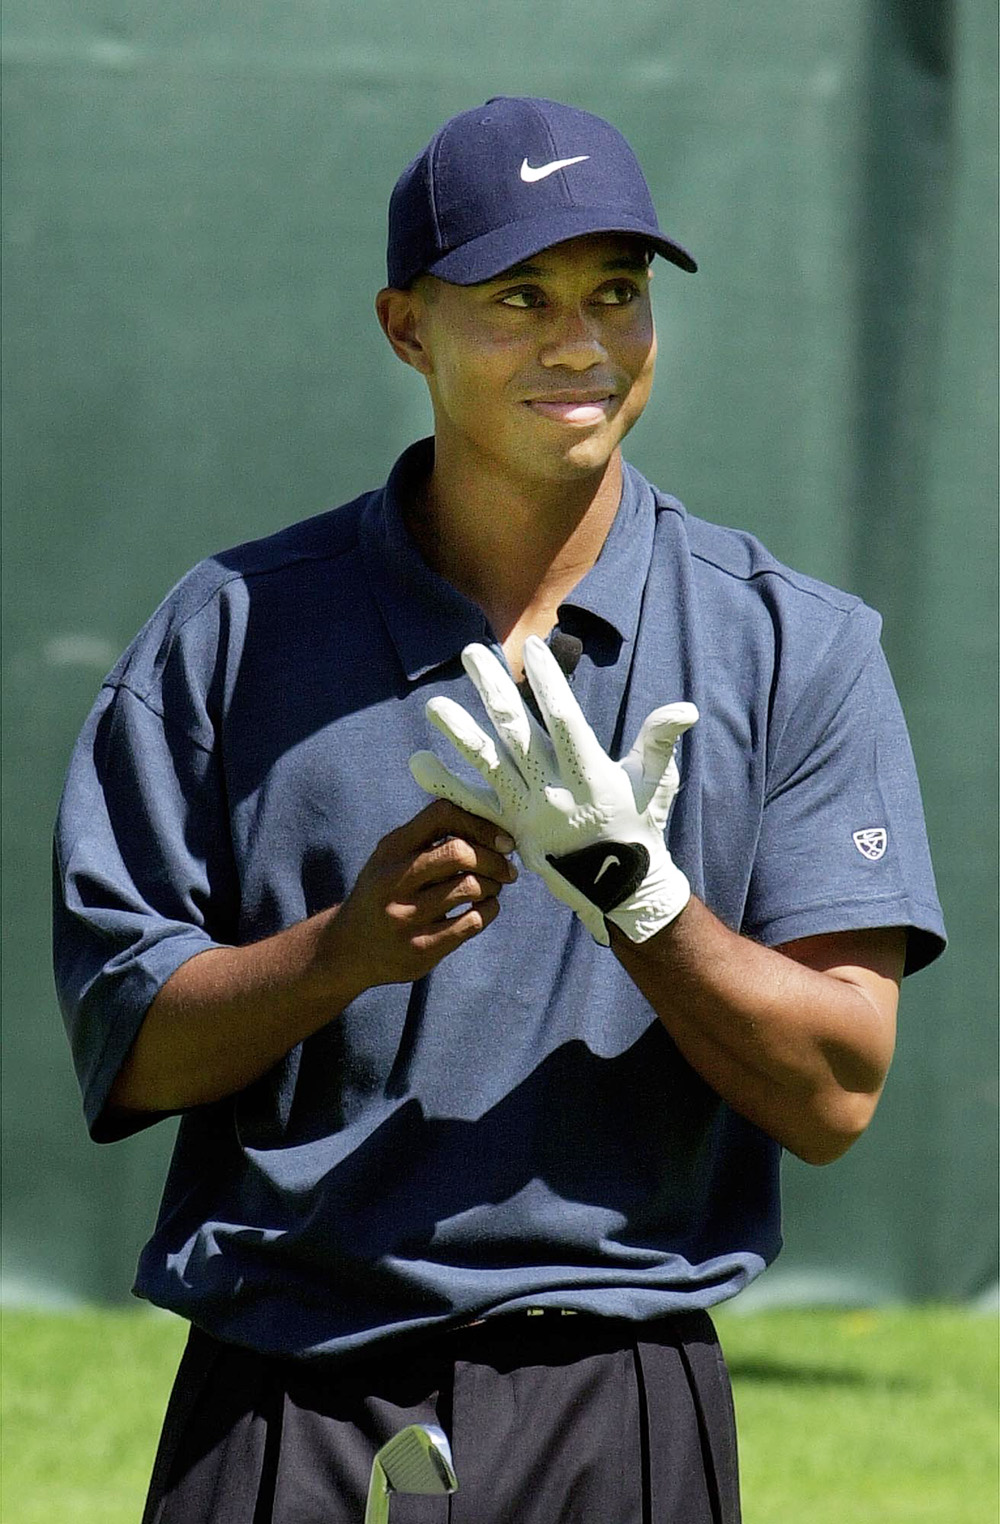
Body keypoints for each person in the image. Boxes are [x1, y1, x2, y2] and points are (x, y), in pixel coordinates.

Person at [53, 96, 945, 1523]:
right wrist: (345, 951)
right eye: (517, 296)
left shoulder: (795, 645)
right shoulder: (227, 633)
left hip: (621, 1392)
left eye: (616, 293)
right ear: (407, 327)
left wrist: (640, 902)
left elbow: (837, 1087)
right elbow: (128, 1049)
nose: (579, 343)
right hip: (285, 1392)